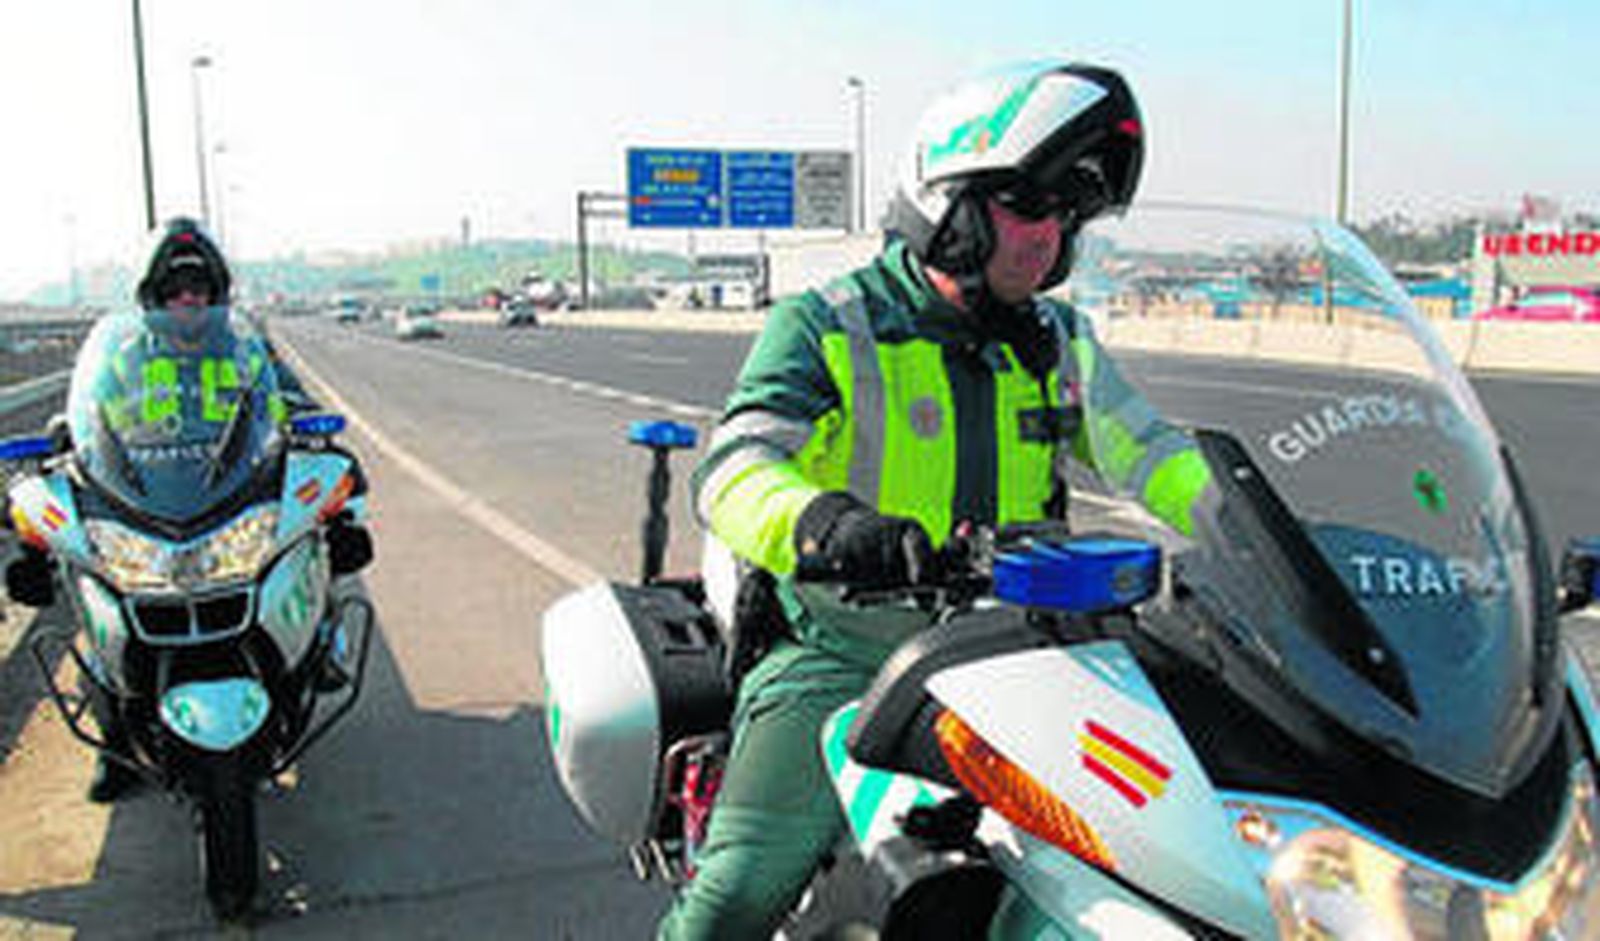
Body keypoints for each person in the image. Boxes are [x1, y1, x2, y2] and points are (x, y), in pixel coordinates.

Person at [665, 61, 1213, 938]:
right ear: (949, 207)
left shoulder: (1058, 340)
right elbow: (733, 467)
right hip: (851, 650)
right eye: (1029, 205)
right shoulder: (831, 323)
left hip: (1024, 650)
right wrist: (828, 526)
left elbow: (1149, 450)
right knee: (738, 894)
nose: (1050, 236)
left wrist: (1245, 521)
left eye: (1067, 214)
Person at [82, 217, 293, 802]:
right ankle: (116, 746)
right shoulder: (123, 356)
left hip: (232, 494)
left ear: (216, 293)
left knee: (314, 539)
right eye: (174, 289)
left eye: (198, 287)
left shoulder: (245, 349)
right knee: (99, 610)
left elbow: (288, 397)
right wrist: (67, 438)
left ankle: (309, 660)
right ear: (153, 296)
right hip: (147, 499)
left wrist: (312, 431)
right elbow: (93, 415)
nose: (188, 299)